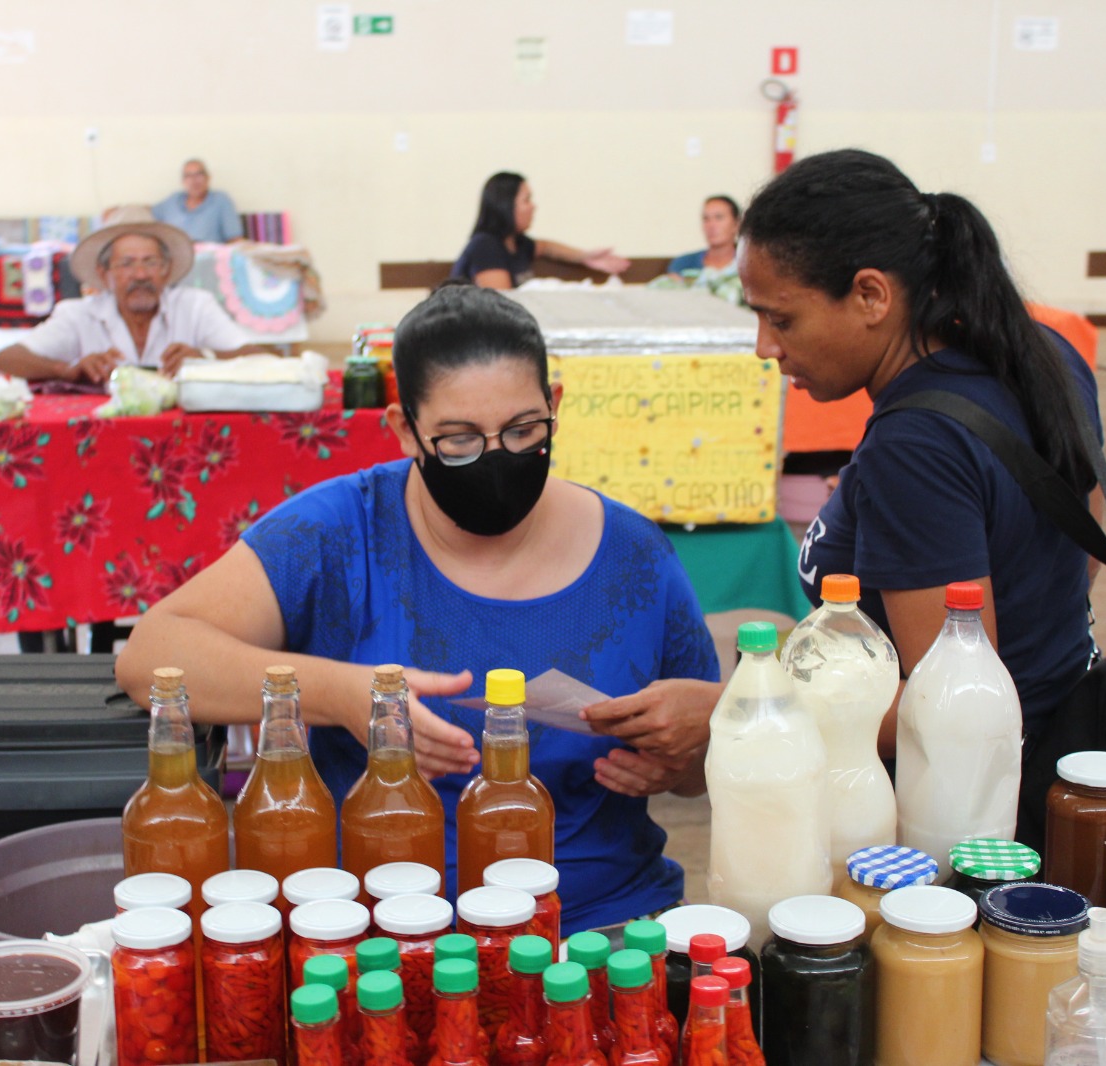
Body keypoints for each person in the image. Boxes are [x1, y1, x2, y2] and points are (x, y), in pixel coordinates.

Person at [116, 283, 719, 932]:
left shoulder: (634, 555)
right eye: (458, 440)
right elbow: (152, 656)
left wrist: (691, 748)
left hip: (598, 923)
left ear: (556, 406)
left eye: (523, 431)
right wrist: (341, 696)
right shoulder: (340, 533)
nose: (496, 458)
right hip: (380, 931)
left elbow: (696, 773)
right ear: (405, 430)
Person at [583, 149, 1100, 779]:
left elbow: (948, 709)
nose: (765, 348)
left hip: (965, 802)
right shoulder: (1039, 353)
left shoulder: (914, 450)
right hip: (1060, 732)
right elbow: (1084, 530)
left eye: (783, 319)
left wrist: (737, 709)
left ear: (871, 295)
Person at [0, 206, 248, 383]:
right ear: (104, 275)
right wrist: (67, 371)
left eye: (150, 262)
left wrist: (207, 359)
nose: (140, 274)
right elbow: (1, 361)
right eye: (126, 264)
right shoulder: (79, 314)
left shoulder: (195, 306)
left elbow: (260, 357)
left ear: (166, 270)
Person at [451, 172, 631, 289]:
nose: (533, 207)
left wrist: (584, 257)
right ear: (505, 205)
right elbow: (501, 305)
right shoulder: (485, 246)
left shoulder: (518, 243)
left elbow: (546, 247)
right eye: (526, 200)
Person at [662, 195, 743, 305]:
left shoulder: (749, 265)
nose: (711, 225)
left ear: (736, 224)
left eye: (719, 217)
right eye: (706, 219)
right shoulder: (683, 264)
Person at [152, 158, 243, 244]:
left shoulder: (220, 200)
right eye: (188, 176)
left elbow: (234, 238)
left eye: (199, 174)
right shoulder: (173, 200)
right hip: (175, 255)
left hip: (207, 256)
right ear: (183, 181)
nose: (194, 180)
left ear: (208, 177)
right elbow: (150, 216)